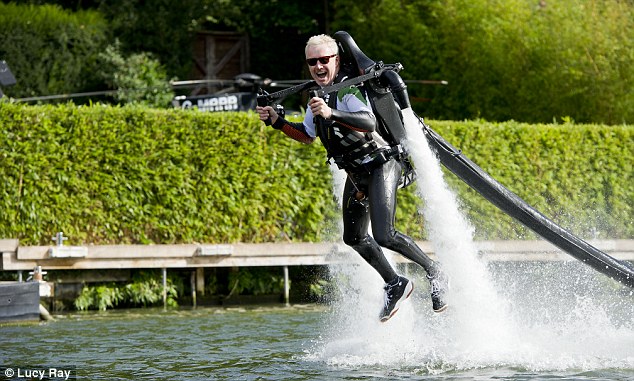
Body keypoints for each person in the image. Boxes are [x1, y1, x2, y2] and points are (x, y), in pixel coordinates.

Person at [256, 34, 448, 322]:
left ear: (336, 60)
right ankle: (395, 283)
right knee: (354, 237)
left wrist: (331, 112)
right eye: (312, 62)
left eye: (324, 60)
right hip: (357, 174)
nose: (319, 66)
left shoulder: (348, 91)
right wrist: (277, 121)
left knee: (385, 235)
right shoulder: (316, 96)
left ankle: (436, 271)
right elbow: (307, 135)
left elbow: (368, 122)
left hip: (382, 164)